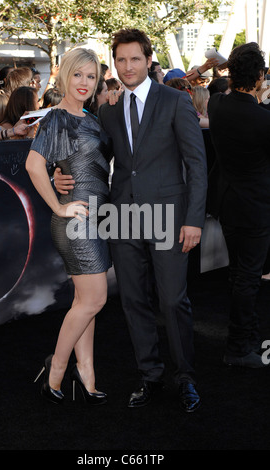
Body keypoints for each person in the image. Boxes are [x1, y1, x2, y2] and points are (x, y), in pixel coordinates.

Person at [54, 29, 207, 412]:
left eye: (135, 59)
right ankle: (150, 375)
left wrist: (193, 220)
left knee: (173, 300)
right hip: (122, 216)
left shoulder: (175, 101)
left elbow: (197, 165)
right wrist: (60, 175)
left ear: (148, 60)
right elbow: (90, 157)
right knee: (134, 301)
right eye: (120, 60)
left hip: (169, 217)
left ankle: (185, 377)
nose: (127, 66)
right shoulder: (106, 108)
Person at [26, 47, 112, 405]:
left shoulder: (91, 118)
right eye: (78, 74)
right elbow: (34, 165)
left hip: (97, 217)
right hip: (76, 220)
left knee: (84, 301)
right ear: (65, 76)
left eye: (91, 77)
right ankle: (56, 369)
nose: (84, 82)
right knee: (95, 299)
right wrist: (59, 207)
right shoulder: (58, 117)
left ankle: (86, 372)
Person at [208, 42, 270, 368]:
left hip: (227, 204)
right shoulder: (261, 119)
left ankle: (245, 335)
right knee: (248, 277)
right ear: (259, 77)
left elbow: (219, 89)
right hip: (255, 208)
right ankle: (238, 347)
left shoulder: (217, 105)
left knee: (238, 274)